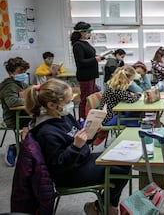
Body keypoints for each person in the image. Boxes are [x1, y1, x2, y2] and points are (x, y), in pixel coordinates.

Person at [24, 78, 129, 215]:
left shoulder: (64, 116)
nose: (72, 104)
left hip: (82, 159)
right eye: (68, 102)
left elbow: (80, 138)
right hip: (69, 173)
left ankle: (101, 205)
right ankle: (105, 207)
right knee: (119, 172)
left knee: (126, 163)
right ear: (51, 105)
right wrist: (75, 146)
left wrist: (91, 134)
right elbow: (58, 165)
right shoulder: (46, 132)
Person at [70, 21, 105, 121]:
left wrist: (99, 58)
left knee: (90, 98)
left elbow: (89, 57)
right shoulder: (77, 45)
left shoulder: (85, 43)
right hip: (85, 76)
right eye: (88, 31)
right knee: (85, 99)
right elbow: (80, 62)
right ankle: (82, 119)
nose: (90, 34)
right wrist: (95, 59)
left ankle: (89, 116)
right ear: (82, 32)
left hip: (91, 75)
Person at [0, 57, 31, 167]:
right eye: (20, 72)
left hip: (23, 115)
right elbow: (12, 102)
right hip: (13, 119)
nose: (23, 74)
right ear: (10, 73)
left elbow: (30, 92)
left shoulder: (21, 83)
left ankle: (23, 146)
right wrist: (30, 99)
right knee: (35, 124)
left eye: (24, 72)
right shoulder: (9, 86)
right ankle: (16, 147)